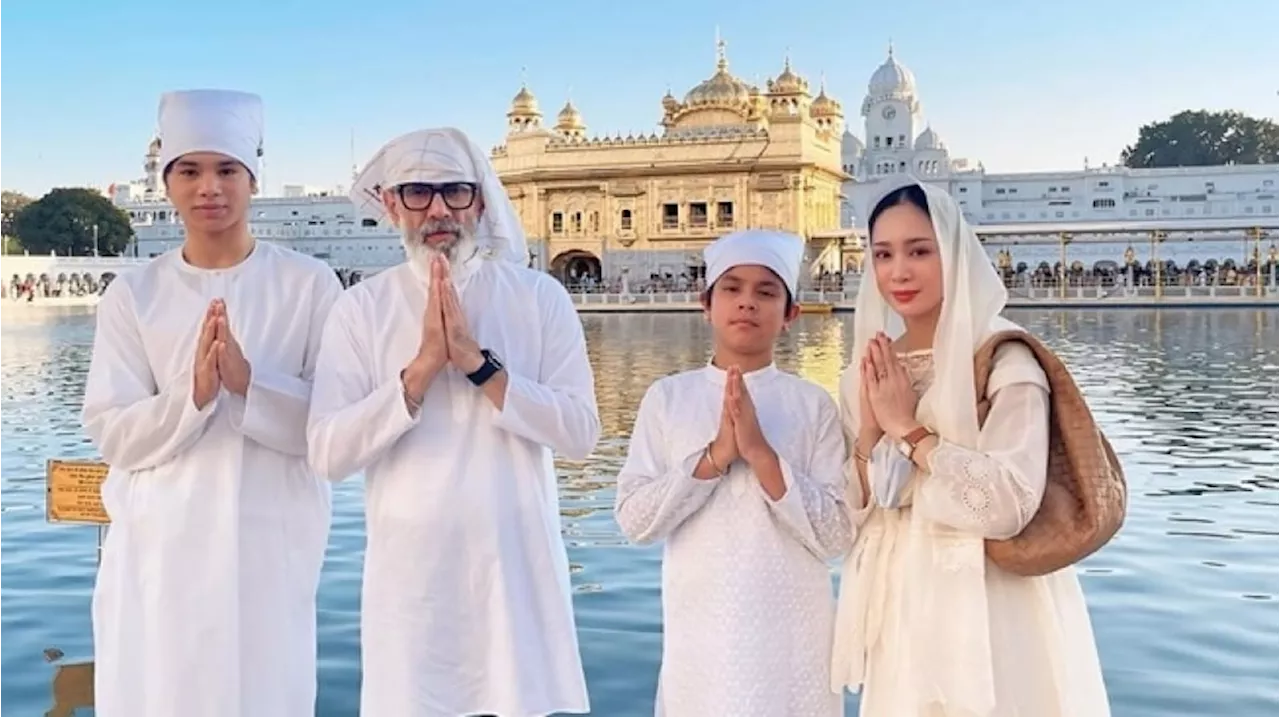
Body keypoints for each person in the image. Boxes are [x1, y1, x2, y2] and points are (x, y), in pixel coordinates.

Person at [306, 127, 601, 716]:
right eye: (418, 192)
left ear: (481, 201)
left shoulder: (539, 299)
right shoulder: (360, 309)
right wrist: (417, 374)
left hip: (513, 579)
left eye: (455, 192)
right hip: (412, 586)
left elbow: (580, 435)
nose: (438, 209)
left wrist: (477, 364)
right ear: (391, 205)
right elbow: (327, 454)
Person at [80, 89, 344, 717]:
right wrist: (192, 396)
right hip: (161, 547)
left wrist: (253, 384)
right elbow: (112, 431)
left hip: (270, 544)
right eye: (190, 171)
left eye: (226, 170)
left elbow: (336, 432)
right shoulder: (133, 294)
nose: (209, 188)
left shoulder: (309, 285)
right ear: (168, 182)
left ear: (253, 178)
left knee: (265, 690)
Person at [829, 177, 1110, 716]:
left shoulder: (1003, 360)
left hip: (990, 599)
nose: (899, 271)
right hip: (902, 600)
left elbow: (1007, 505)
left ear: (953, 253)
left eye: (919, 251)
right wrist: (870, 433)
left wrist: (910, 433)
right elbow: (858, 510)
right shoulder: (867, 371)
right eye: (883, 254)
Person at [614, 229, 852, 717]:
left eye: (766, 292)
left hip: (792, 636)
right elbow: (635, 522)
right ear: (706, 304)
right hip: (701, 634)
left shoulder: (813, 405)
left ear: (790, 314)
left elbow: (837, 535)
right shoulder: (668, 398)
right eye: (732, 288)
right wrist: (714, 457)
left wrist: (762, 456)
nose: (747, 302)